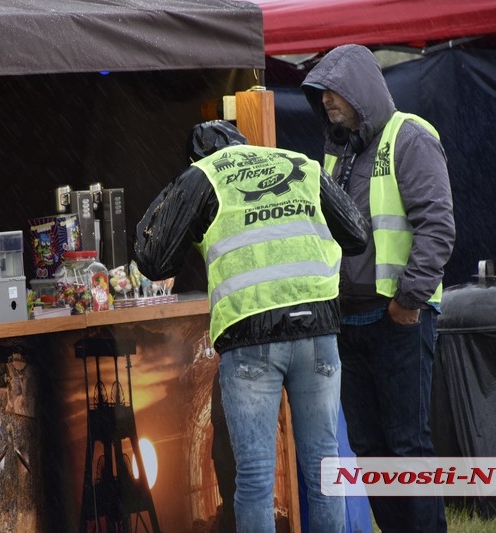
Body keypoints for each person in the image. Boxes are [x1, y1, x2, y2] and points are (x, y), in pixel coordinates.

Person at [134, 120, 370, 533]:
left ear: (197, 157)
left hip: (251, 335)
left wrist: (189, 214)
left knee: (257, 478)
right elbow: (356, 235)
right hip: (317, 329)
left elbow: (153, 258)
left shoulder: (205, 174)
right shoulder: (300, 164)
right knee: (323, 467)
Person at [301, 44, 456, 532]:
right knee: (370, 449)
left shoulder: (408, 136)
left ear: (362, 89)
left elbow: (438, 225)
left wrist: (409, 300)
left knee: (408, 447)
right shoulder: (335, 153)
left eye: (335, 90)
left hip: (399, 319)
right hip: (350, 323)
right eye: (321, 92)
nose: (326, 100)